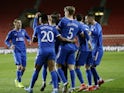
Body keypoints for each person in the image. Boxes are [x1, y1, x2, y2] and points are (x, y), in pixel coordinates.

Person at [24, 13, 76, 93]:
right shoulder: (53, 28)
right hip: (51, 51)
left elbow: (34, 40)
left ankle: (30, 88)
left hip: (42, 51)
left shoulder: (38, 28)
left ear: (41, 20)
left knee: (36, 70)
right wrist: (71, 40)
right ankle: (55, 89)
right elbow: (61, 38)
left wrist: (39, 38)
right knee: (52, 69)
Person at [56, 6, 92, 93]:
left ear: (68, 12)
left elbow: (56, 31)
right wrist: (89, 42)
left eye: (65, 11)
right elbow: (84, 33)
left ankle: (65, 82)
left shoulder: (63, 20)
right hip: (73, 47)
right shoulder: (78, 23)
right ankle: (72, 87)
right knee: (71, 68)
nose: (64, 13)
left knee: (57, 66)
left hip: (64, 46)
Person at [5, 18, 31, 88]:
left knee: (24, 68)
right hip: (16, 51)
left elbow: (28, 37)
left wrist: (29, 40)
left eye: (20, 23)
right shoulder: (12, 32)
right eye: (18, 23)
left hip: (23, 51)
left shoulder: (23, 31)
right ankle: (19, 82)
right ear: (15, 23)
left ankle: (17, 79)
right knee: (19, 67)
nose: (20, 24)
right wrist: (10, 45)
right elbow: (6, 41)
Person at [74, 14, 94, 92]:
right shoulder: (86, 25)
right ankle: (90, 86)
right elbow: (87, 32)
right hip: (90, 50)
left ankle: (83, 84)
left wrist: (88, 41)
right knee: (87, 67)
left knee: (76, 67)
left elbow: (85, 33)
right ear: (82, 19)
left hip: (83, 49)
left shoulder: (78, 26)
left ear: (75, 19)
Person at [87, 13, 104, 91]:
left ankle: (97, 84)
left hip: (98, 49)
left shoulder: (97, 25)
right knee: (91, 66)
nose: (87, 20)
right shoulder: (91, 26)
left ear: (91, 18)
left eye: (87, 19)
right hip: (93, 50)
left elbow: (97, 33)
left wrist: (91, 32)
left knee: (92, 66)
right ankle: (99, 79)